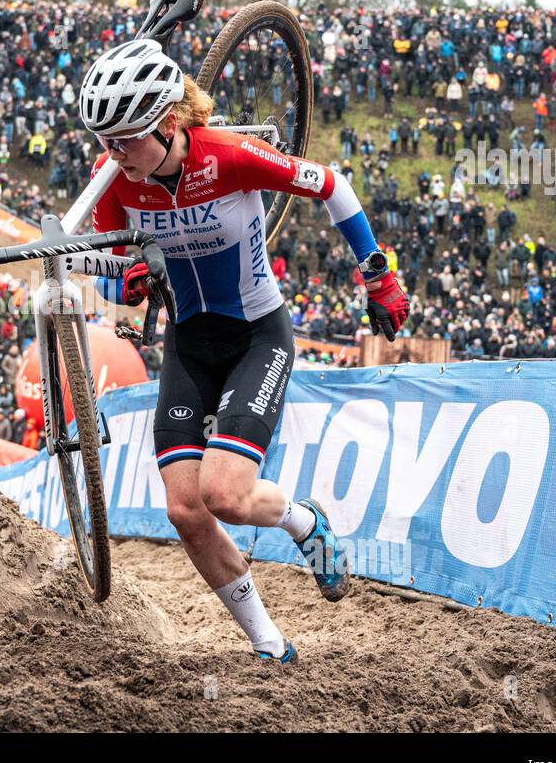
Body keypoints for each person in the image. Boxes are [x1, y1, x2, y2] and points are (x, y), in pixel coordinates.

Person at [80, 38, 409, 664]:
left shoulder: (229, 156)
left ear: (168, 122)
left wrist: (378, 275)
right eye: (104, 141)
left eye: (124, 139)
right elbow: (113, 262)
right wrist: (125, 279)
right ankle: (269, 643)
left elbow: (333, 187)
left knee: (226, 494)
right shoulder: (118, 180)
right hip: (188, 343)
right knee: (185, 509)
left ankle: (303, 523)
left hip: (257, 335)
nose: (113, 155)